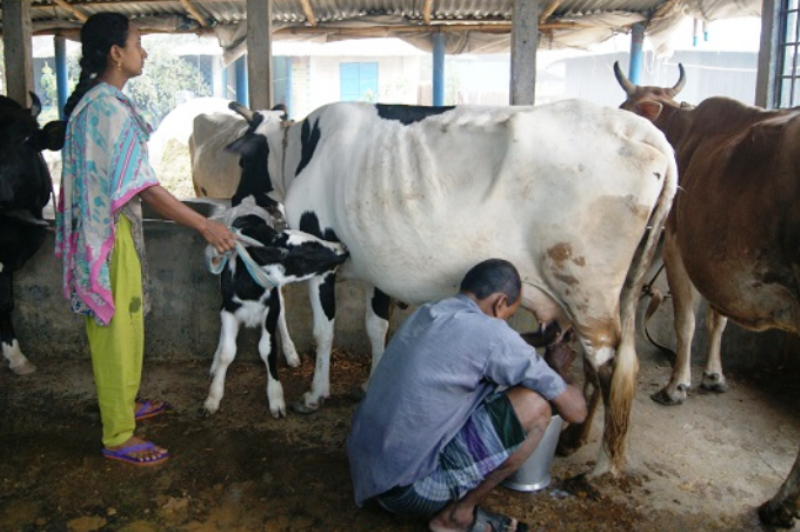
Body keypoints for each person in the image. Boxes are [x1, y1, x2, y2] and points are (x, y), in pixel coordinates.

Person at [55, 12, 237, 466]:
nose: (144, 51)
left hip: (107, 231)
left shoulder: (98, 104)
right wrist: (205, 226)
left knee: (129, 322)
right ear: (116, 53)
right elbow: (144, 188)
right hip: (105, 237)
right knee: (116, 330)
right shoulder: (106, 109)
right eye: (138, 43)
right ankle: (117, 435)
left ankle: (124, 402)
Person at [347, 258, 587, 532]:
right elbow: (575, 412)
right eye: (508, 316)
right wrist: (560, 371)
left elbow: (486, 344)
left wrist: (535, 340)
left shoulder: (431, 311)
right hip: (409, 492)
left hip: (366, 470)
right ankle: (457, 515)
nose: (505, 324)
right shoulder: (494, 336)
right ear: (500, 303)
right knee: (536, 405)